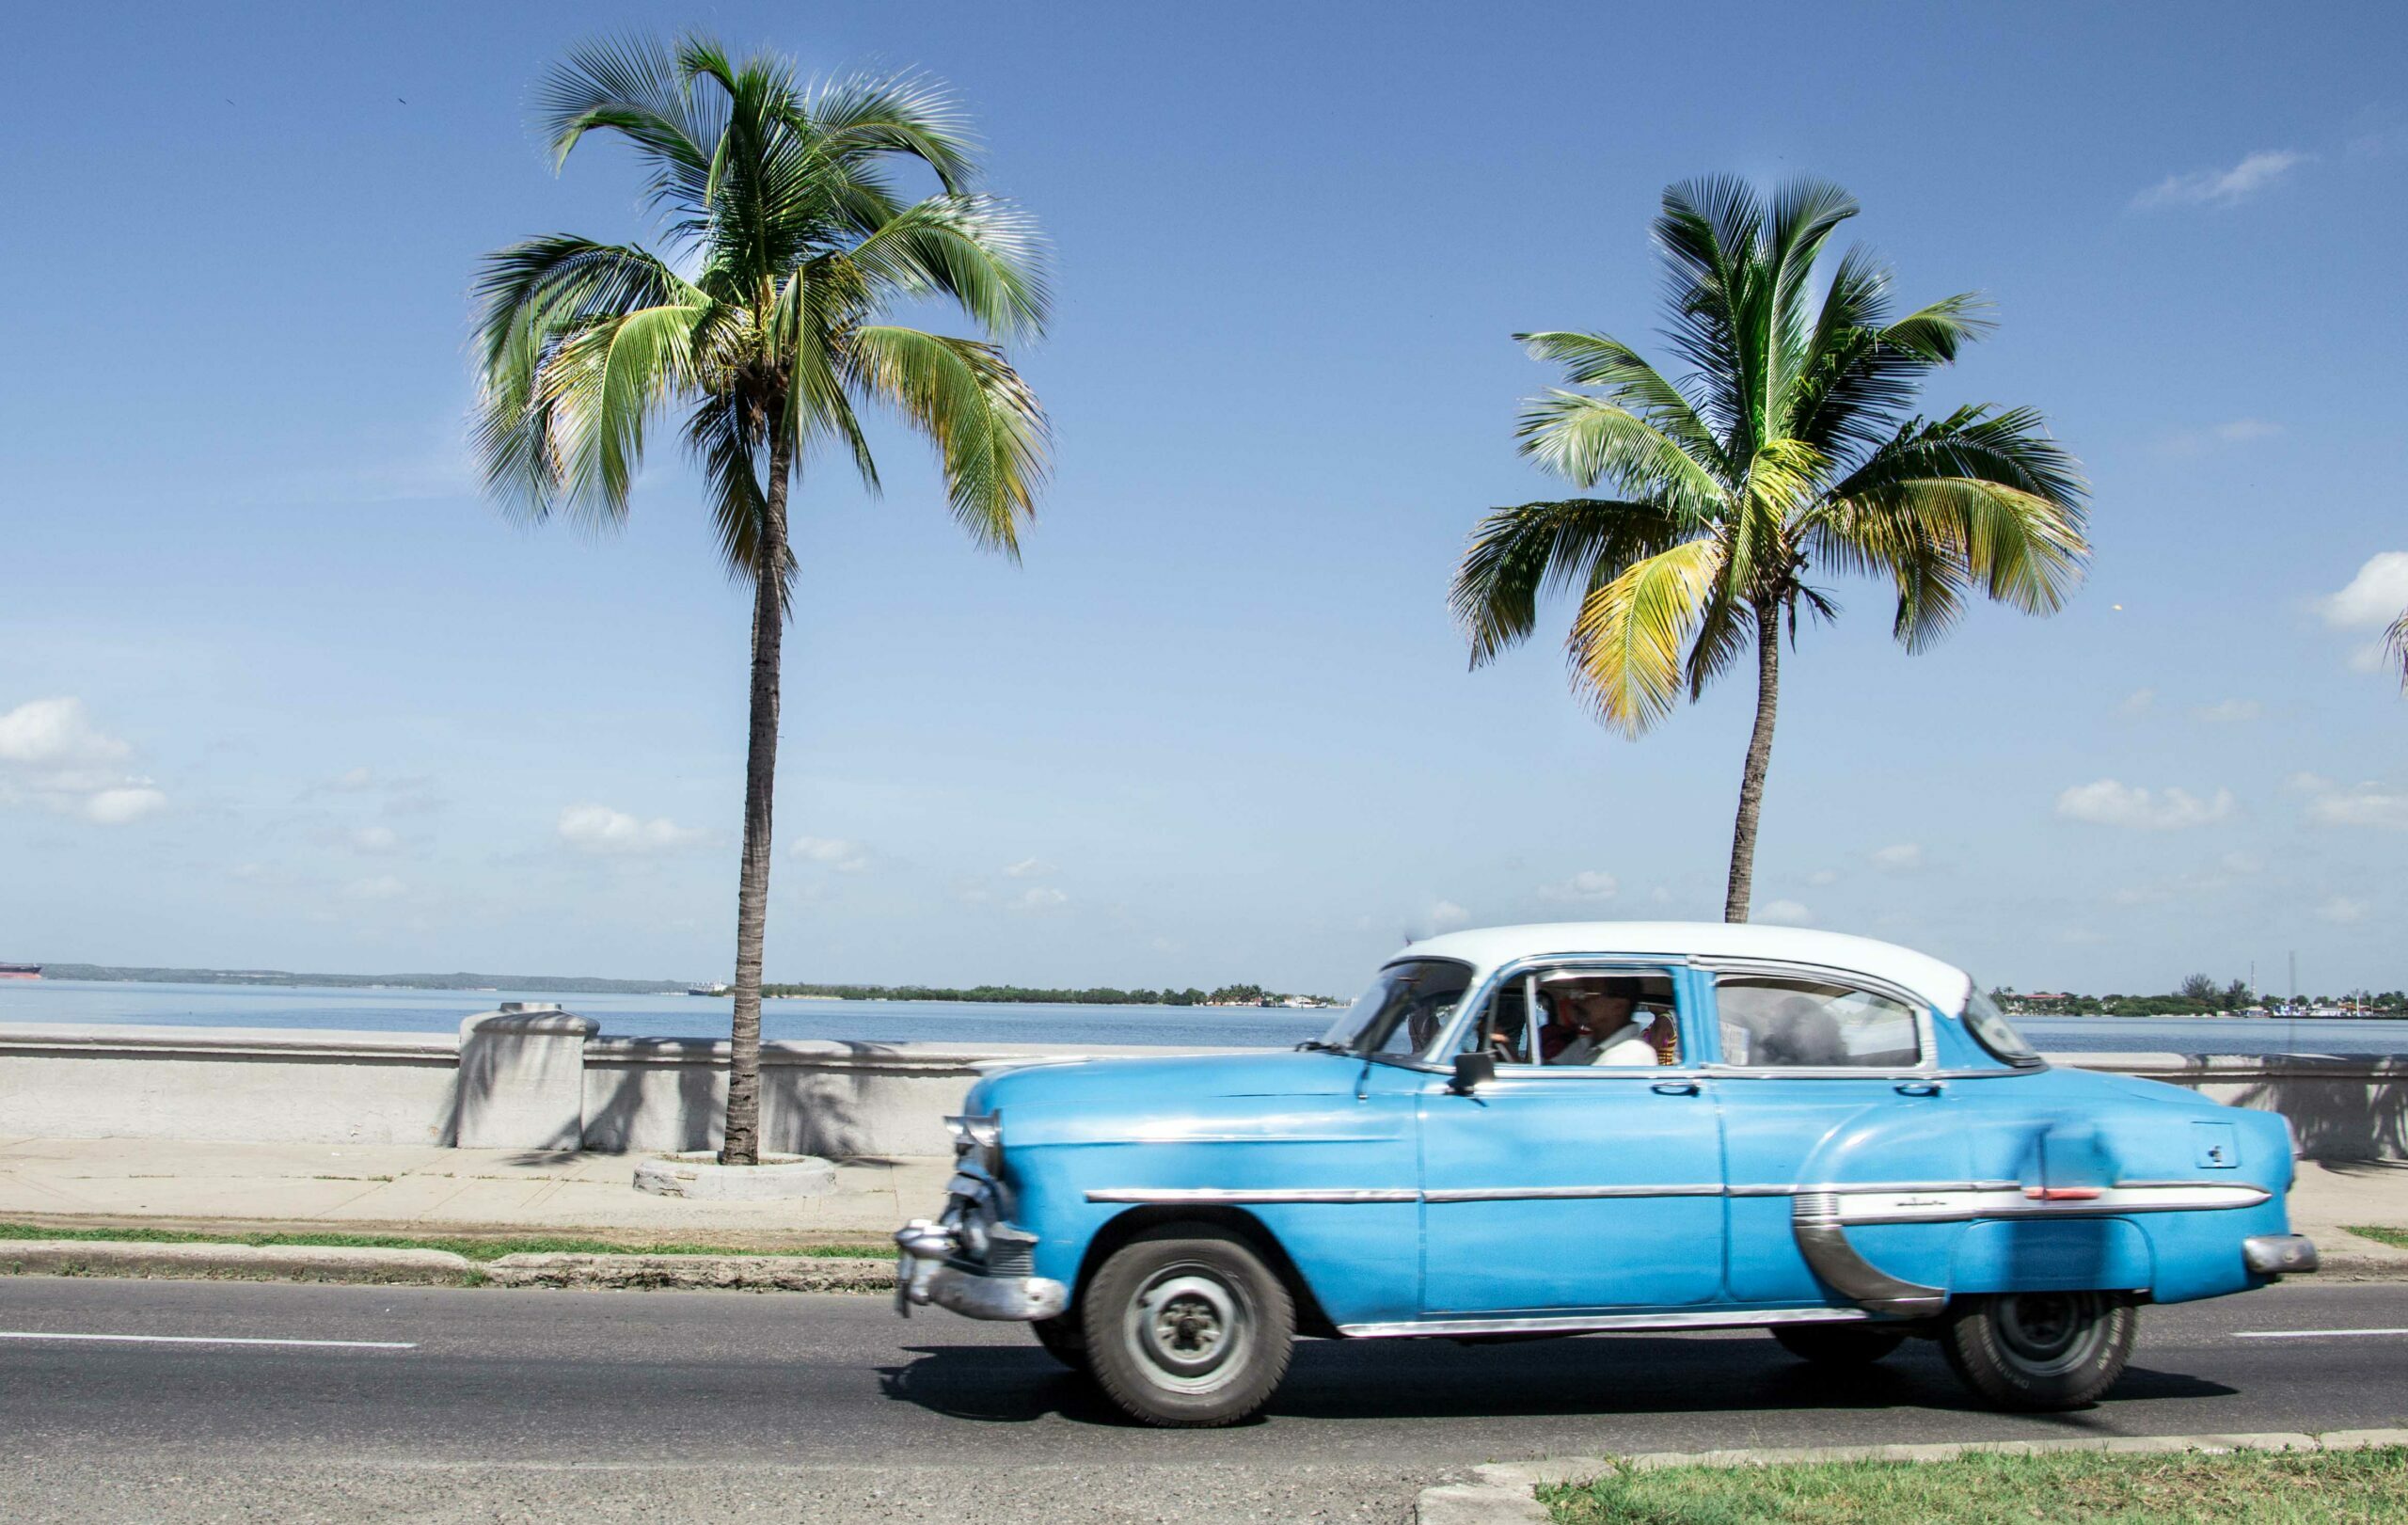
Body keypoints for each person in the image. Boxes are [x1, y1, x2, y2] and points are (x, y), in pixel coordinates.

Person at [1545, 977, 1661, 1066]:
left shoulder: (1631, 1054)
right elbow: (1550, 1070)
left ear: (1618, 1007)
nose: (1578, 1002)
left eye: (1587, 994)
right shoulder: (1586, 1044)